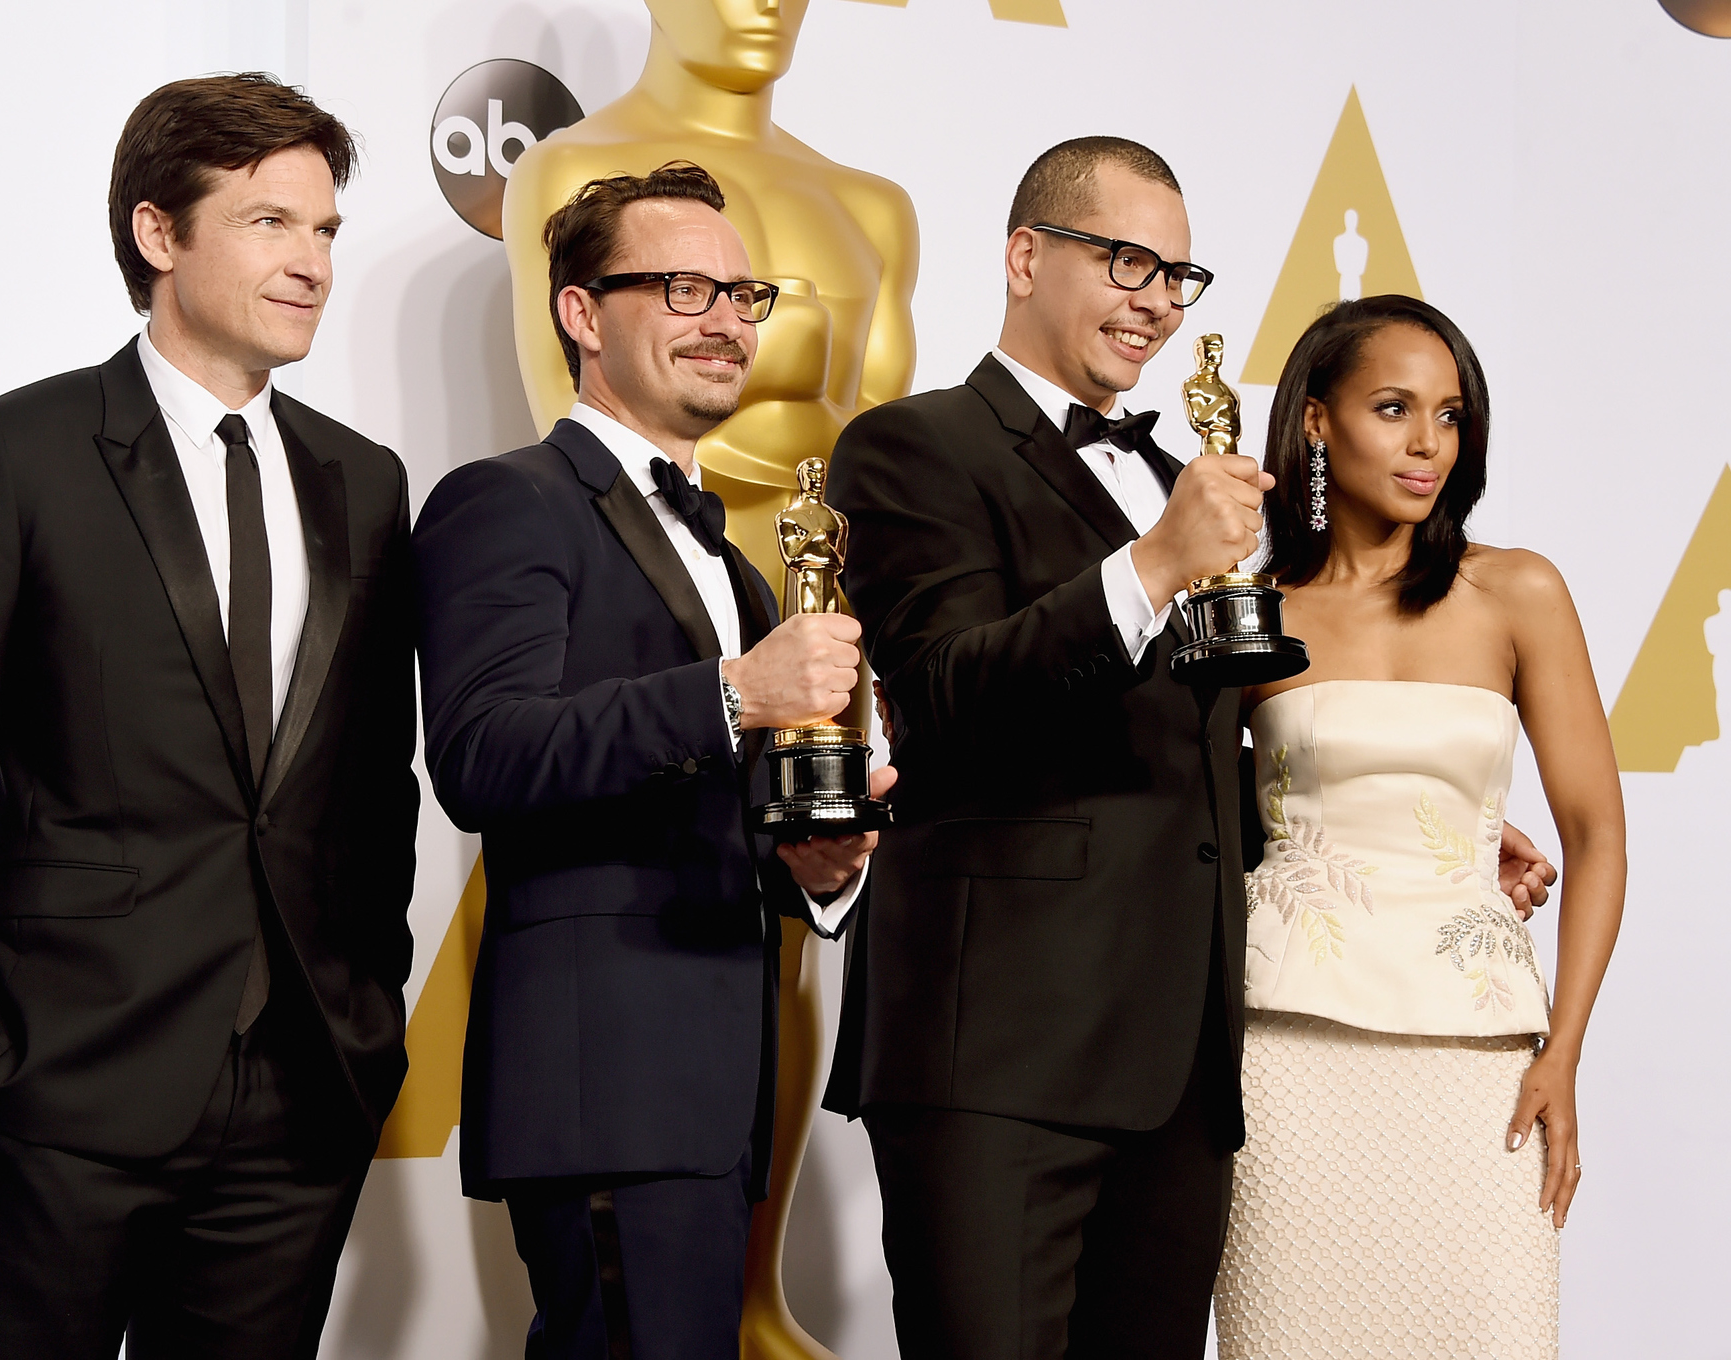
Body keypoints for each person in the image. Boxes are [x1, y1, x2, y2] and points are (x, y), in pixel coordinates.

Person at [823, 137, 1555, 1359]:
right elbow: (943, 694)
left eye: (1177, 274)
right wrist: (1153, 564)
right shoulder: (913, 446)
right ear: (1022, 258)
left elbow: (1205, 744)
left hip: (1187, 1074)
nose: (1155, 298)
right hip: (1000, 1058)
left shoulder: (1184, 475)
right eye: (1125, 261)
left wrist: (1403, 819)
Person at [0, 74, 418, 1359]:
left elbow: (374, 789)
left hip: (297, 1102)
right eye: (271, 223)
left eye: (326, 231)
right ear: (158, 233)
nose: (313, 264)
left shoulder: (364, 482)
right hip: (66, 1081)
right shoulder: (17, 454)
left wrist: (364, 1023)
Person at [413, 162, 887, 1360]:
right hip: (603, 1083)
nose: (726, 320)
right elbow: (483, 753)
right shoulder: (507, 502)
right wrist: (733, 692)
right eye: (683, 288)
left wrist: (817, 864)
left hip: (717, 1096)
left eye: (741, 293)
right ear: (581, 313)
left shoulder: (730, 565)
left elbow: (709, 799)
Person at [1212, 295, 1625, 1359]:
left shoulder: (1516, 590)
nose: (1425, 443)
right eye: (1392, 408)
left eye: (1447, 415)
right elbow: (1192, 809)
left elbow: (1596, 833)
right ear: (1313, 420)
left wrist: (1563, 1051)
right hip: (1283, 1051)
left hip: (1479, 1054)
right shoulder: (1252, 608)